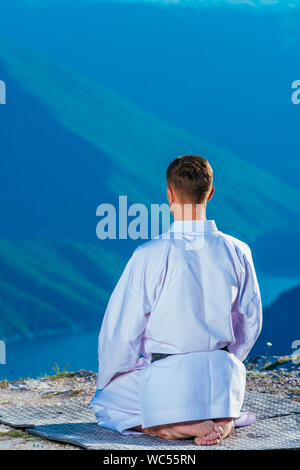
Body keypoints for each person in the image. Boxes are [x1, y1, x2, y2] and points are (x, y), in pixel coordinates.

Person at [91, 155, 262, 445]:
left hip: (170, 379)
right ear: (210, 193)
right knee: (218, 393)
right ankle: (223, 419)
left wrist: (115, 374)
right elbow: (251, 321)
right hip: (223, 376)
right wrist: (230, 361)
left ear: (169, 194)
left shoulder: (149, 254)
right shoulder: (238, 250)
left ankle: (171, 426)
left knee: (105, 402)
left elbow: (121, 332)